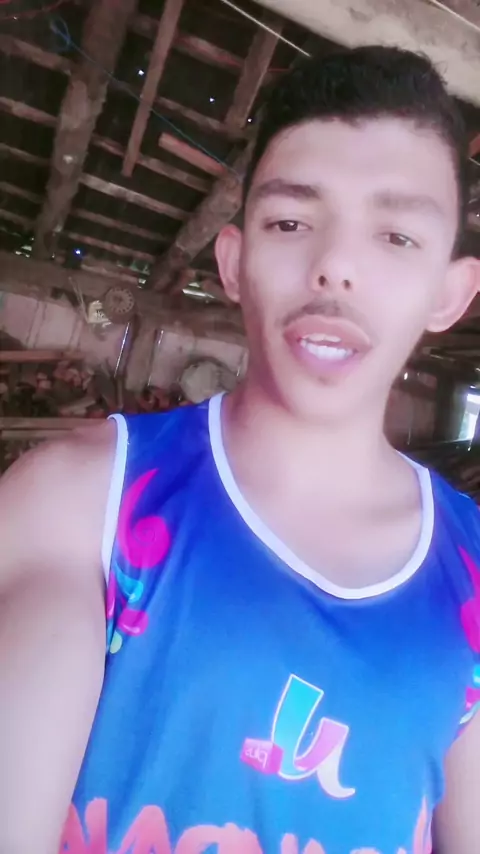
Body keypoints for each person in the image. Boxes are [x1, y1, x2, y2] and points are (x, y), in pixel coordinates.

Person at [1, 45, 480, 854]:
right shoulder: (81, 503)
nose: (335, 268)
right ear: (233, 262)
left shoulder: (472, 578)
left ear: (450, 293)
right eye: (291, 223)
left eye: (397, 236)